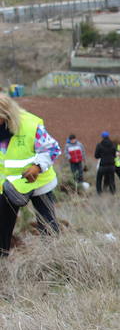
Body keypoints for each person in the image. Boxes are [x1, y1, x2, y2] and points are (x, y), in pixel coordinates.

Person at [0, 94, 61, 256]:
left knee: (47, 224)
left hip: (38, 182)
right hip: (7, 185)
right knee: (2, 227)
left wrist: (37, 167)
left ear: (6, 115)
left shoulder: (30, 125)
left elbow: (52, 149)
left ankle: (55, 259)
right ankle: (3, 260)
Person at [94, 131, 117, 195]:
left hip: (103, 165)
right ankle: (113, 192)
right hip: (111, 165)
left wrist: (102, 155)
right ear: (108, 136)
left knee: (99, 179)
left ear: (102, 137)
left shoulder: (99, 145)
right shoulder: (113, 145)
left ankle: (99, 193)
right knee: (111, 179)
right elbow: (115, 155)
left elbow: (96, 156)